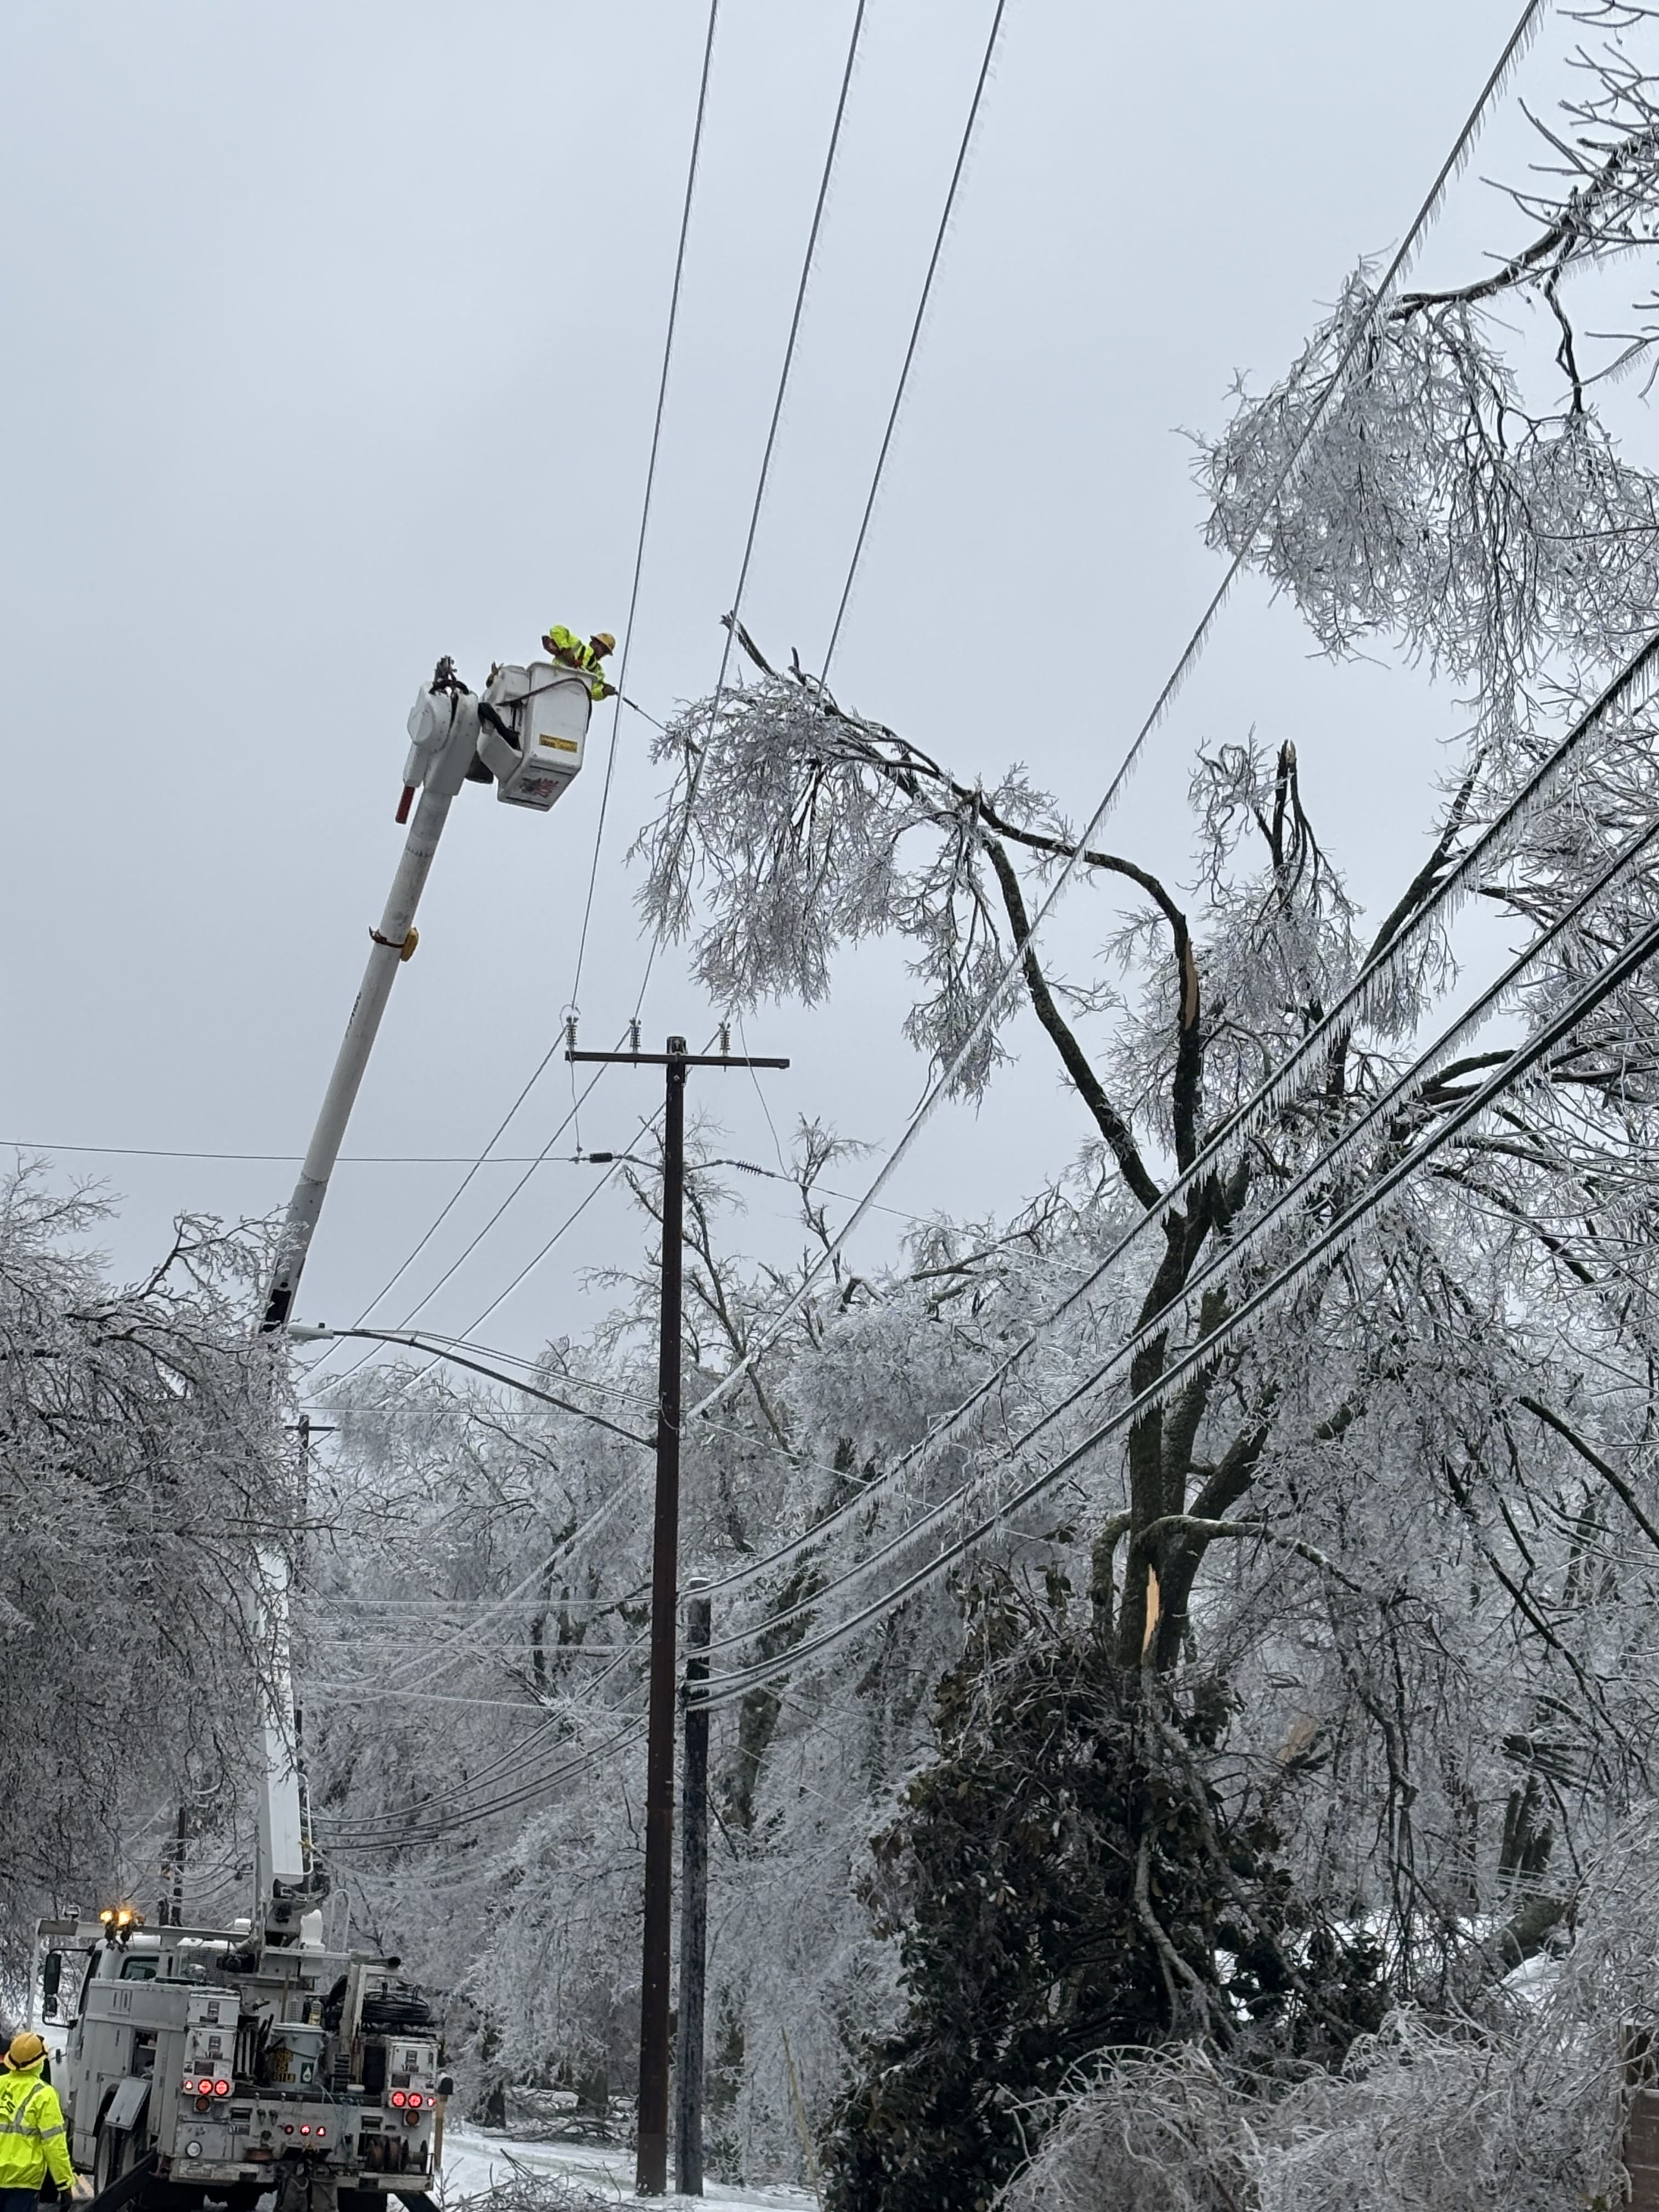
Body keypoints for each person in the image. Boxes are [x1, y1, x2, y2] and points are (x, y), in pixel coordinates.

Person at [0, 2033, 74, 2212]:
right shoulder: (44, 2095)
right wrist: (64, 2184)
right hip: (22, 2182)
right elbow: (54, 2144)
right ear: (39, 2062)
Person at [541, 625, 616, 702]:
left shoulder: (597, 671)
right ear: (594, 643)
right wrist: (565, 648)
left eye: (606, 652)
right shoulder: (576, 645)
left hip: (571, 697)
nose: (603, 653)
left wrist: (603, 692)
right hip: (553, 683)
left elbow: (592, 692)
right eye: (603, 649)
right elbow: (557, 630)